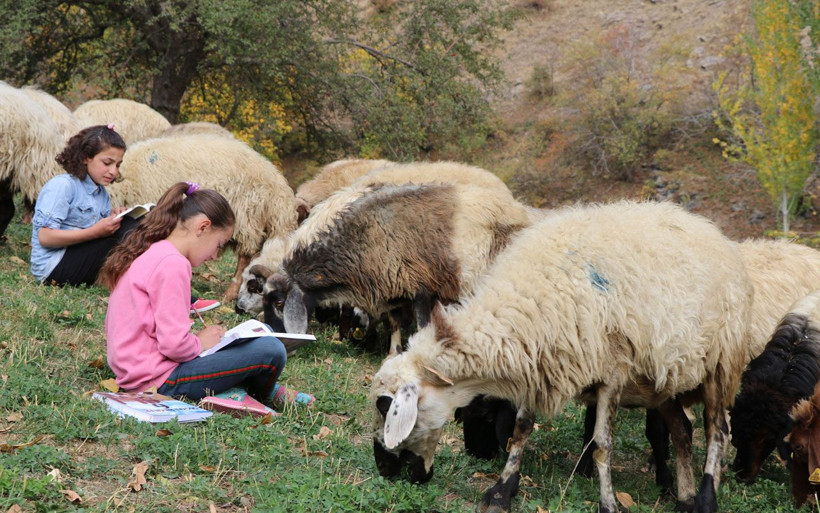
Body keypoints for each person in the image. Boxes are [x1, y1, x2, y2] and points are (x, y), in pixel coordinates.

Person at [98, 181, 313, 408]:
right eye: (218, 244)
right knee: (271, 349)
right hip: (157, 380)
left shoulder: (157, 251)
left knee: (265, 332)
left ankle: (238, 390)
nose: (214, 256)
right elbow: (174, 346)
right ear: (203, 227)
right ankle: (263, 391)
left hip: (140, 369)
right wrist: (200, 342)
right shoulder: (173, 265)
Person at [29, 124, 219, 313]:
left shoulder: (101, 194)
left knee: (132, 223)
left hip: (78, 261)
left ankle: (162, 290)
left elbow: (94, 236)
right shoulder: (63, 186)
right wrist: (95, 232)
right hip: (52, 268)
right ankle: (181, 298)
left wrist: (114, 217)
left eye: (118, 165)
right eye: (107, 163)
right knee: (129, 227)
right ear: (86, 157)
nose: (113, 171)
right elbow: (45, 237)